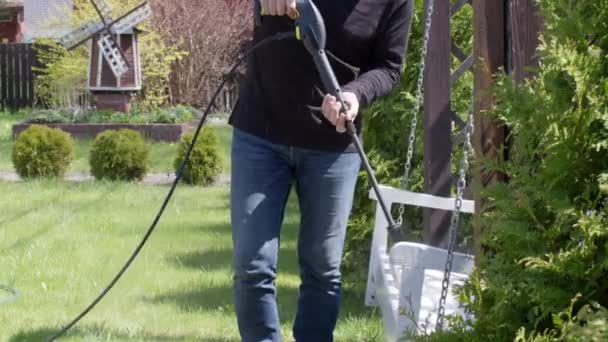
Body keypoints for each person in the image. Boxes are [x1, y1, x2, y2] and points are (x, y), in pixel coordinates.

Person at [228, 0, 414, 340]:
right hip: (261, 132)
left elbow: (389, 66)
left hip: (333, 148)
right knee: (251, 264)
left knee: (322, 268)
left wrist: (355, 94)